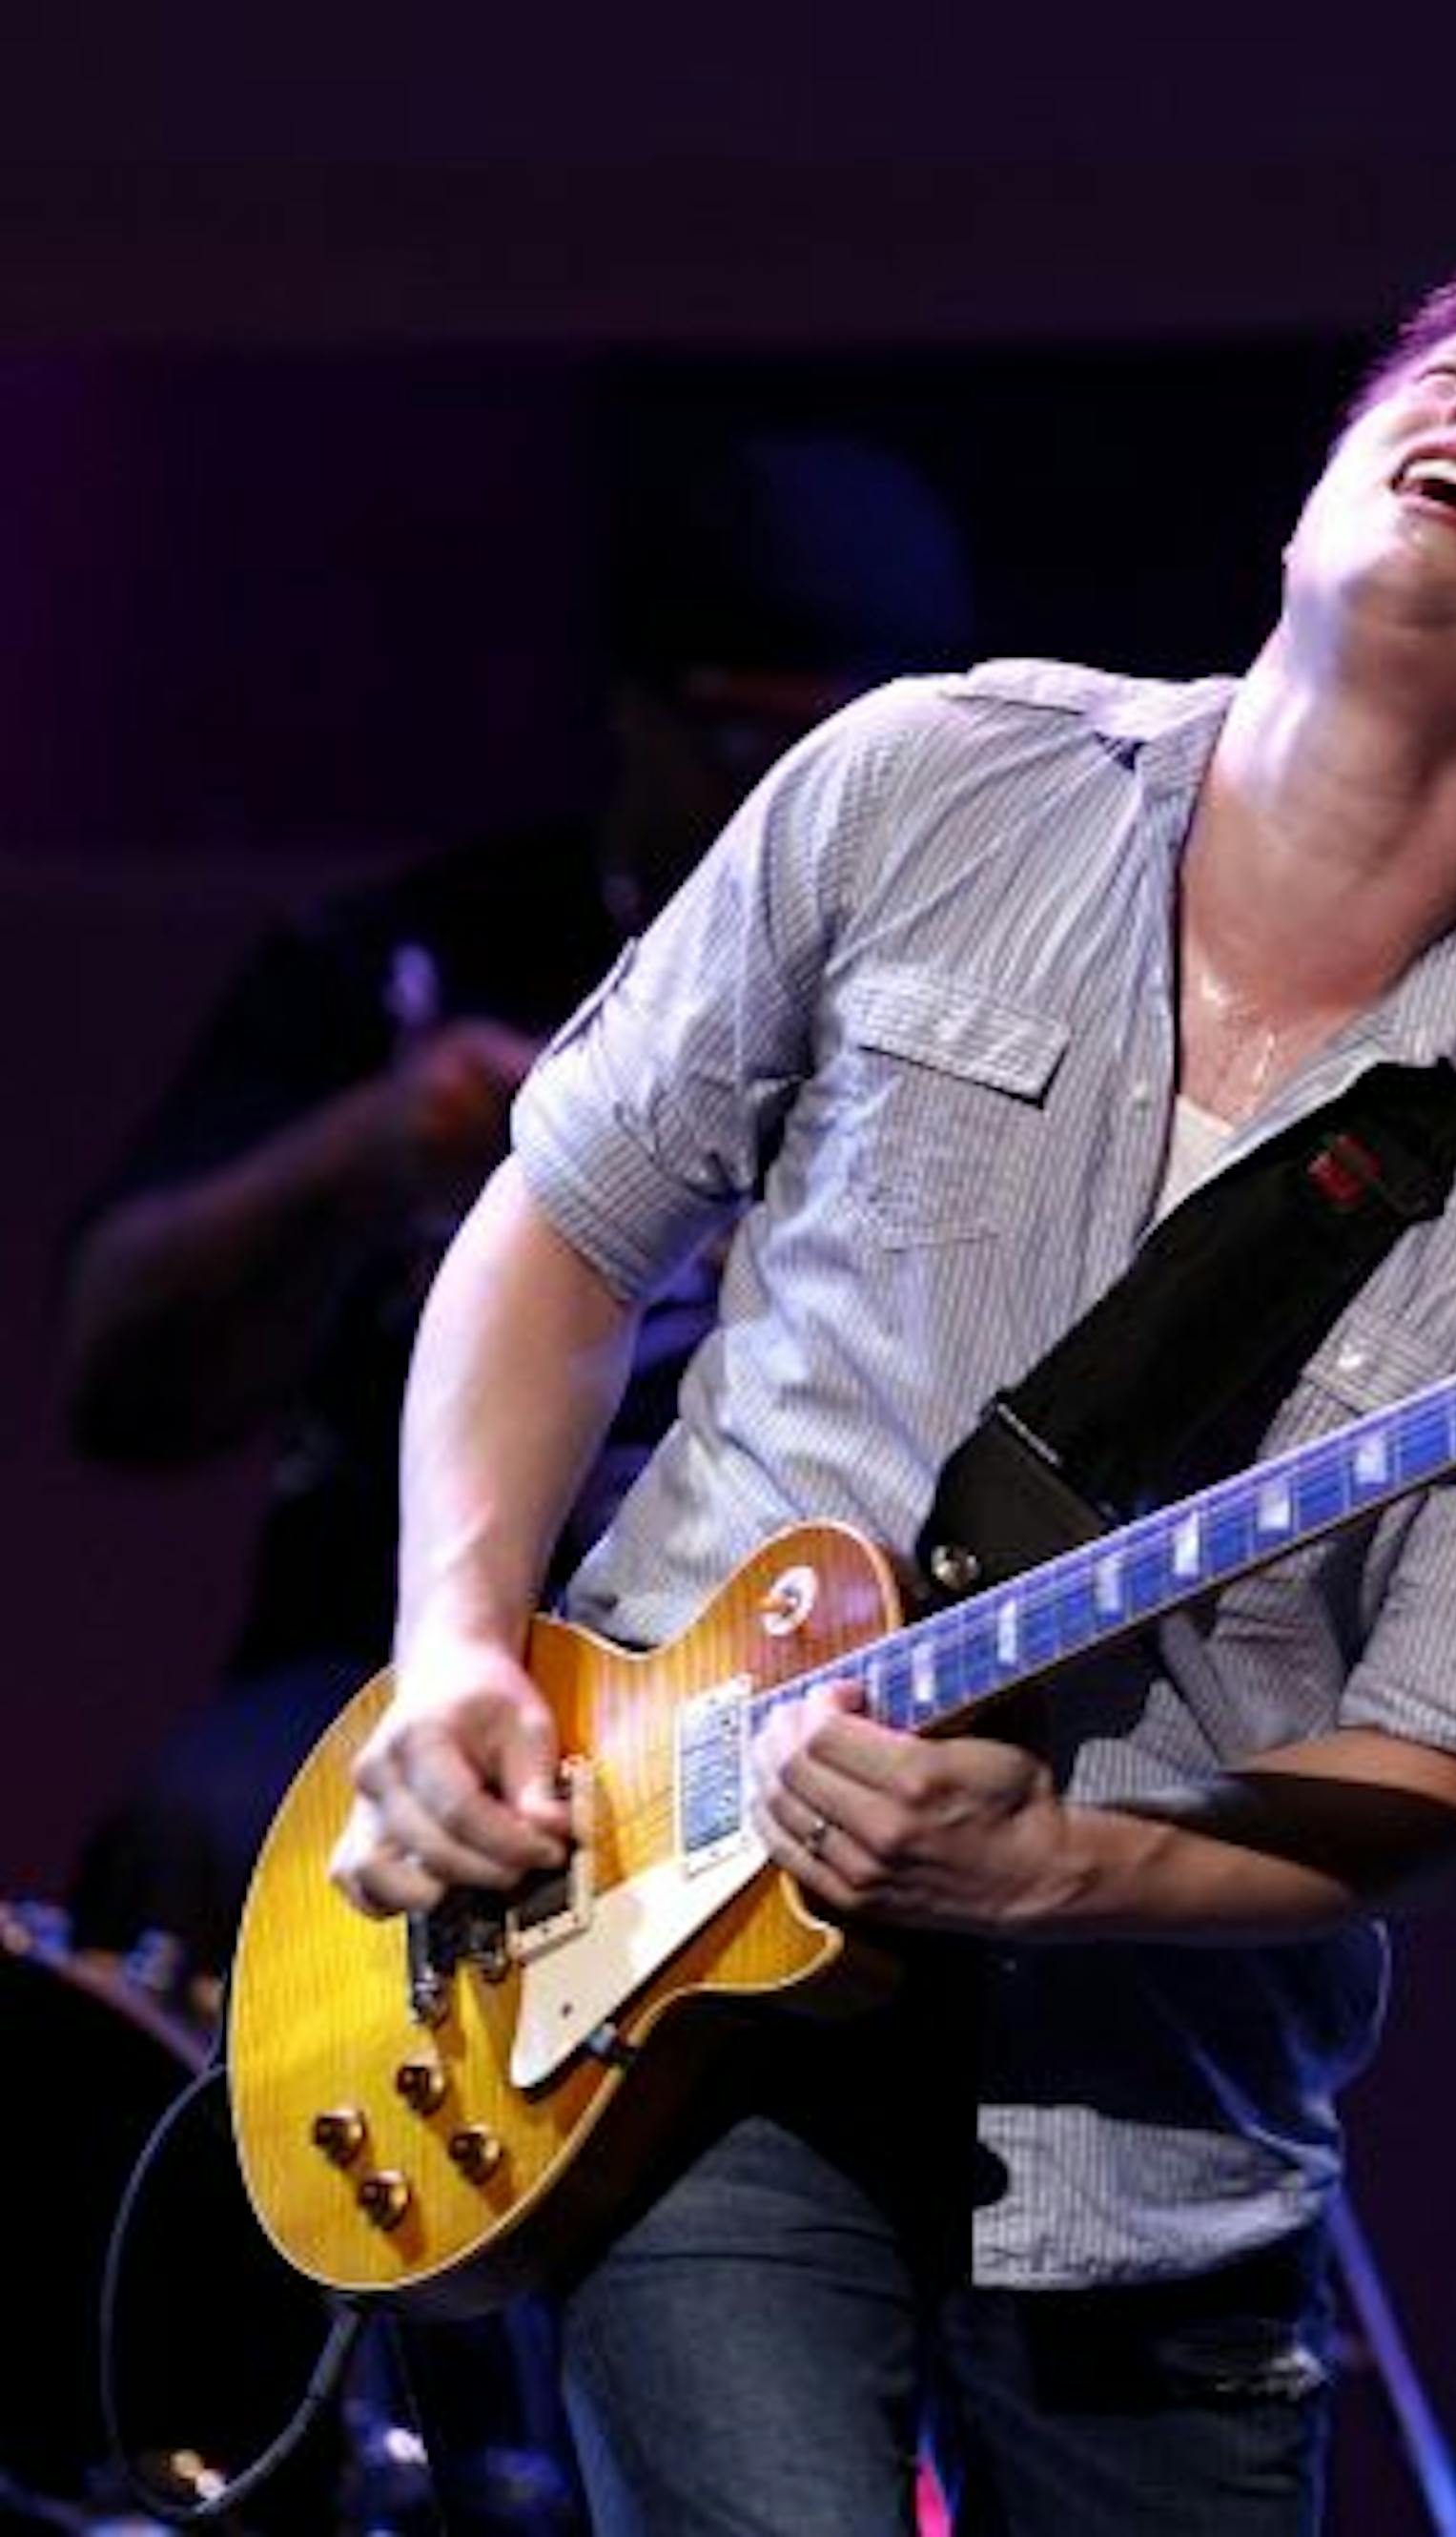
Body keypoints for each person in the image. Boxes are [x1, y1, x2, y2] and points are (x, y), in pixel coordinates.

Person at [328, 238, 1456, 2535]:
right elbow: (563, 1222)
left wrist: (1067, 1862)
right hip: (667, 2003)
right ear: (1308, 500)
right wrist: (446, 1646)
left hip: (1151, 2164)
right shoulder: (932, 777)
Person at [59, 429, 976, 1997]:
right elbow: (120, 1380)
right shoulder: (422, 955)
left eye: (832, 753)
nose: (781, 801)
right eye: (731, 741)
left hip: (812, 1665)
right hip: (401, 1660)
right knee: (223, 1824)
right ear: (628, 715)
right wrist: (364, 1150)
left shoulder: (962, 993)